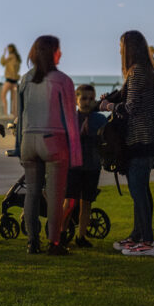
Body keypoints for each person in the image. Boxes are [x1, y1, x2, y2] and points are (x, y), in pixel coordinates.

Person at [101, 31, 154, 257]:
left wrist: (107, 107)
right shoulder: (148, 70)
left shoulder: (138, 71)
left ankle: (148, 242)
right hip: (151, 138)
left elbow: (130, 108)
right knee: (141, 189)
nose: (119, 50)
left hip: (142, 138)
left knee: (138, 189)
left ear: (129, 48)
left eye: (121, 45)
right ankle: (138, 235)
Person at [16, 36, 81, 255]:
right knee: (55, 196)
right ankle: (54, 243)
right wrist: (77, 155)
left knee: (32, 193)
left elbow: (20, 116)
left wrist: (19, 146)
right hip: (54, 141)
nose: (61, 53)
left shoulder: (25, 79)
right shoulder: (63, 80)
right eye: (59, 50)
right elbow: (71, 120)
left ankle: (32, 242)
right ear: (52, 52)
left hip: (28, 140)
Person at [64, 84, 107, 249]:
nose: (87, 102)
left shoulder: (100, 119)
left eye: (91, 99)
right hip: (73, 166)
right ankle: (61, 232)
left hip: (92, 166)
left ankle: (81, 235)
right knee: (70, 201)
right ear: (76, 99)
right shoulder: (70, 118)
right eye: (84, 98)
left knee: (87, 202)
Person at [0, 44, 21, 118]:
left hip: (9, 80)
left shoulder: (10, 56)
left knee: (3, 96)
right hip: (15, 81)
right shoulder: (17, 58)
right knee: (14, 98)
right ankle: (14, 114)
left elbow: (2, 62)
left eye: (9, 49)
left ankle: (6, 113)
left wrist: (4, 53)